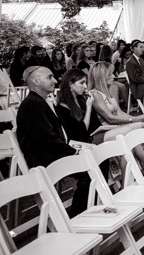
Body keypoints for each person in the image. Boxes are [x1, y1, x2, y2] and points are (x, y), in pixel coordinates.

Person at [15, 66, 89, 216]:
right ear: (36, 81)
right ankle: (78, 215)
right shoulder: (31, 104)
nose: (55, 80)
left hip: (53, 152)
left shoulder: (41, 101)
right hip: (43, 159)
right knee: (88, 170)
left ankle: (91, 206)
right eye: (49, 77)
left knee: (96, 157)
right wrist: (74, 151)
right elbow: (47, 139)